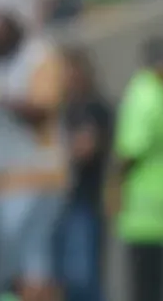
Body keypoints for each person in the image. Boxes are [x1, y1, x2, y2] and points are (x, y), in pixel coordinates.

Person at [0, 11, 67, 301]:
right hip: (0, 179)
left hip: (36, 175)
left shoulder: (38, 57)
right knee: (11, 264)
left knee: (32, 260)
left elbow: (41, 111)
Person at [114, 38, 163, 301]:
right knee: (149, 286)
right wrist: (114, 189)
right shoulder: (148, 94)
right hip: (148, 214)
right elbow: (129, 152)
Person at [55, 47, 111, 301]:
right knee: (63, 278)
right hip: (58, 203)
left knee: (82, 278)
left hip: (83, 202)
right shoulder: (63, 109)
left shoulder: (92, 106)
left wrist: (50, 150)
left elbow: (85, 148)